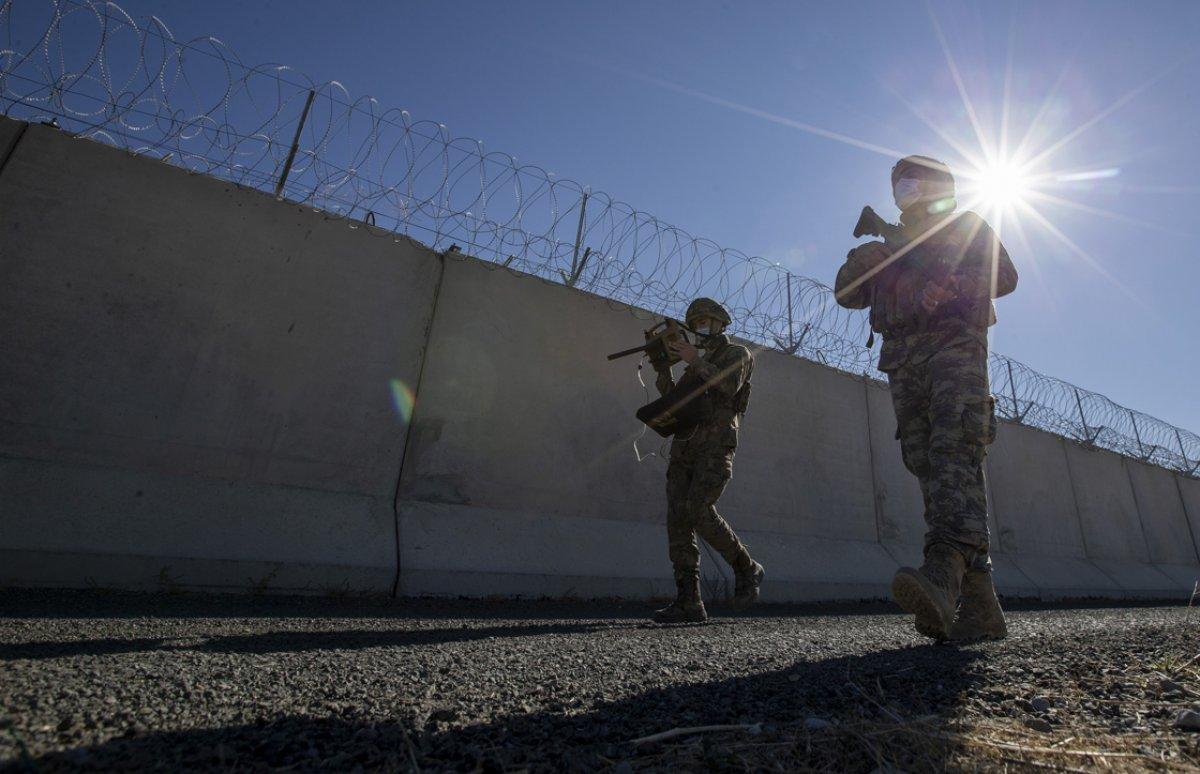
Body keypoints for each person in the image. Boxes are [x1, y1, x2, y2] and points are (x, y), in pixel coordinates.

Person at [834, 156, 1018, 641]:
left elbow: (1005, 276)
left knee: (954, 451)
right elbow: (845, 294)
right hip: (902, 360)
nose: (904, 190)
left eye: (912, 181)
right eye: (899, 184)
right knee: (928, 466)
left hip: (956, 349)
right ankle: (981, 606)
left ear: (939, 186)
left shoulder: (967, 226)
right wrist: (872, 259)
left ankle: (942, 570)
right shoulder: (885, 244)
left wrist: (956, 285)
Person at [649, 297, 765, 624]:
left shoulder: (737, 354)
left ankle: (746, 568)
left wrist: (695, 360)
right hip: (685, 446)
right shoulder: (694, 364)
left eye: (703, 321)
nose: (699, 327)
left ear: (719, 324)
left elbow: (728, 386)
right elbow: (673, 400)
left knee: (699, 509)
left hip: (715, 445)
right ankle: (688, 601)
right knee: (678, 519)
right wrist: (663, 369)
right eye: (695, 323)